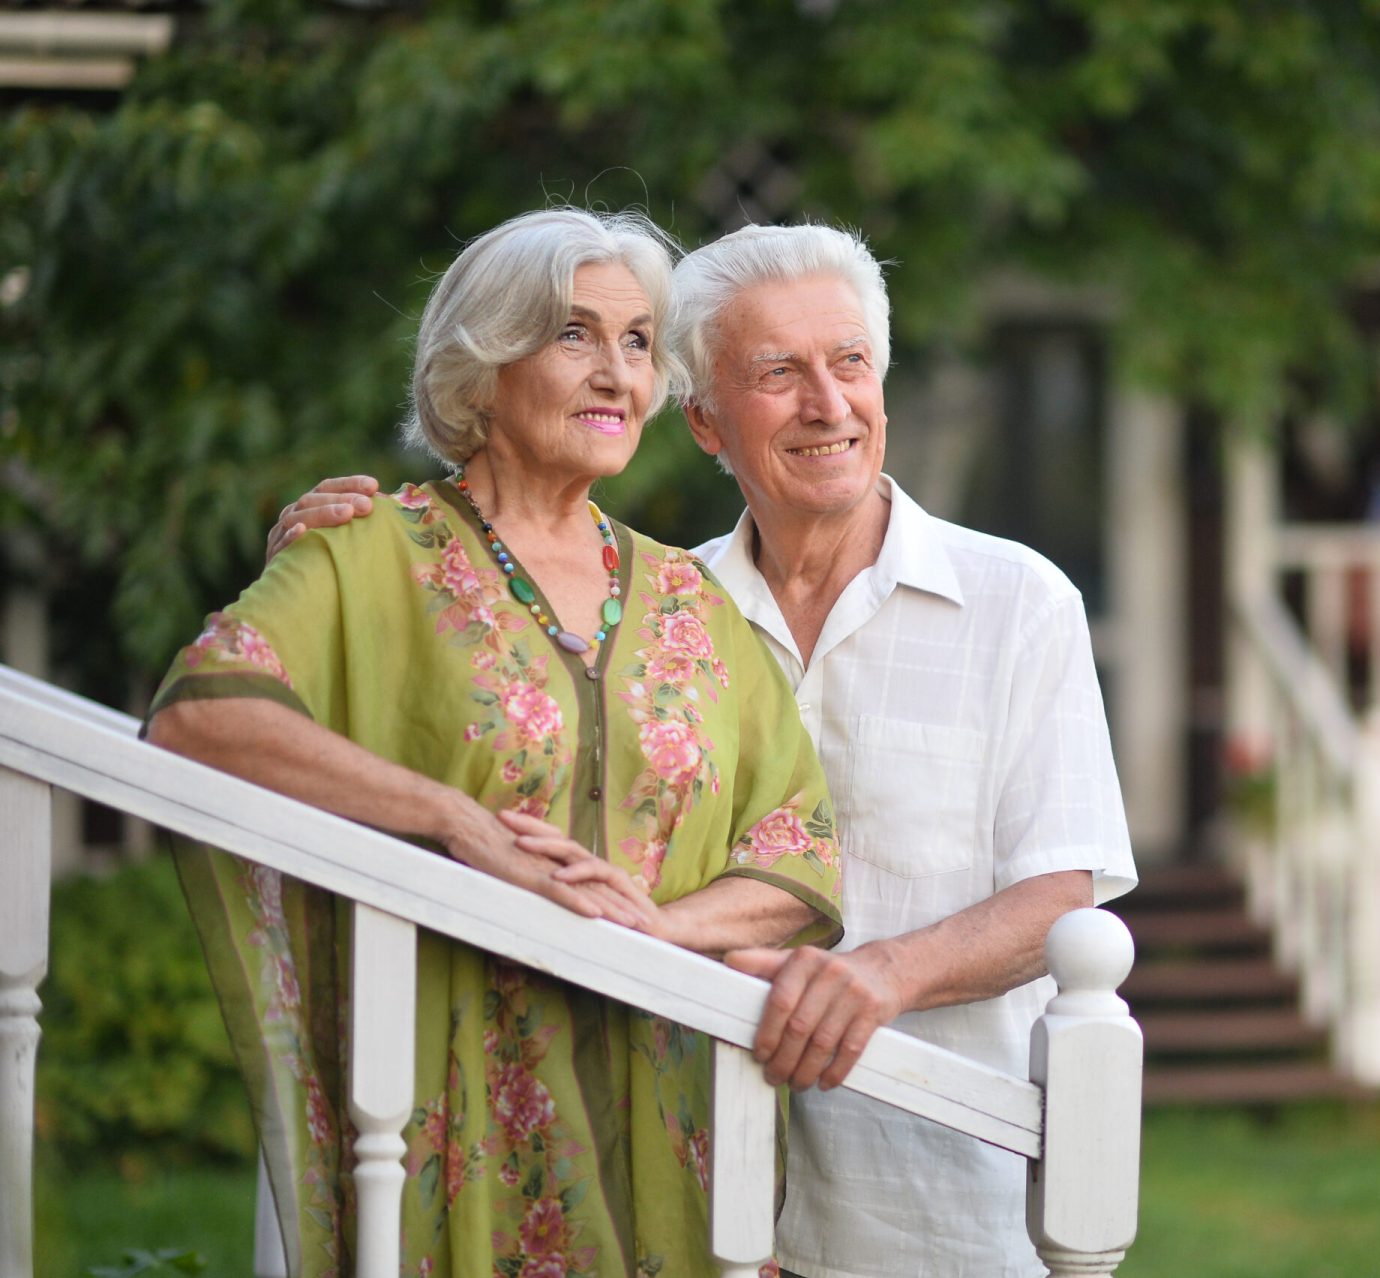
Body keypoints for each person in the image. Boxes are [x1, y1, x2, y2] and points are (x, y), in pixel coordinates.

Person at [275, 222, 1138, 1278]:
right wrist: (316, 594)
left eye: (851, 363)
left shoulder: (1018, 601)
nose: (828, 404)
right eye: (778, 372)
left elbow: (1063, 897)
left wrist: (884, 975)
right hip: (686, 1196)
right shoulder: (651, 614)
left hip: (931, 1199)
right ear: (702, 421)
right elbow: (476, 761)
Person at [149, 208, 843, 1278]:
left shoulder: (689, 598)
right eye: (573, 335)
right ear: (482, 365)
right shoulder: (372, 550)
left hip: (665, 1102)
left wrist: (657, 931)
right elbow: (202, 720)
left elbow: (798, 845)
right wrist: (460, 823)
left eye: (638, 342)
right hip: (450, 1086)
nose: (615, 371)